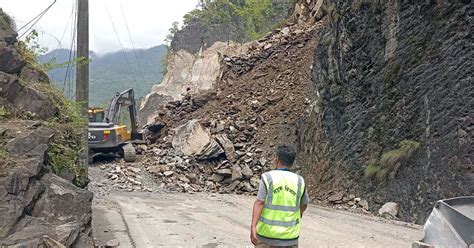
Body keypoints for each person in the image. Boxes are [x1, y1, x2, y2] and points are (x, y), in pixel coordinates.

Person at [250, 144, 309, 248]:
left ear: (276, 159)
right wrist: (298, 214)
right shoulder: (299, 180)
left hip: (266, 236)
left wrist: (253, 226)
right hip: (290, 237)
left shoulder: (268, 177)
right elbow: (304, 204)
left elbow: (260, 202)